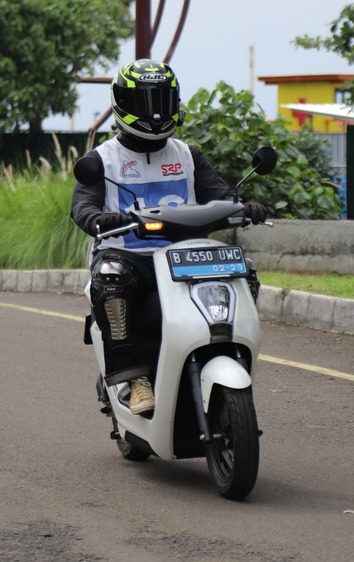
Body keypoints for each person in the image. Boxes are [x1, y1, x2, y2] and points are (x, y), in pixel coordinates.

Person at [70, 59, 268, 415]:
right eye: (147, 102)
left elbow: (222, 196)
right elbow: (83, 205)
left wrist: (244, 207)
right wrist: (97, 218)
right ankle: (134, 378)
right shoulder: (102, 159)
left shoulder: (188, 155)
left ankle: (229, 351)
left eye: (162, 100)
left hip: (185, 256)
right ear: (123, 103)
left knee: (244, 270)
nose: (156, 112)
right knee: (110, 276)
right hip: (129, 257)